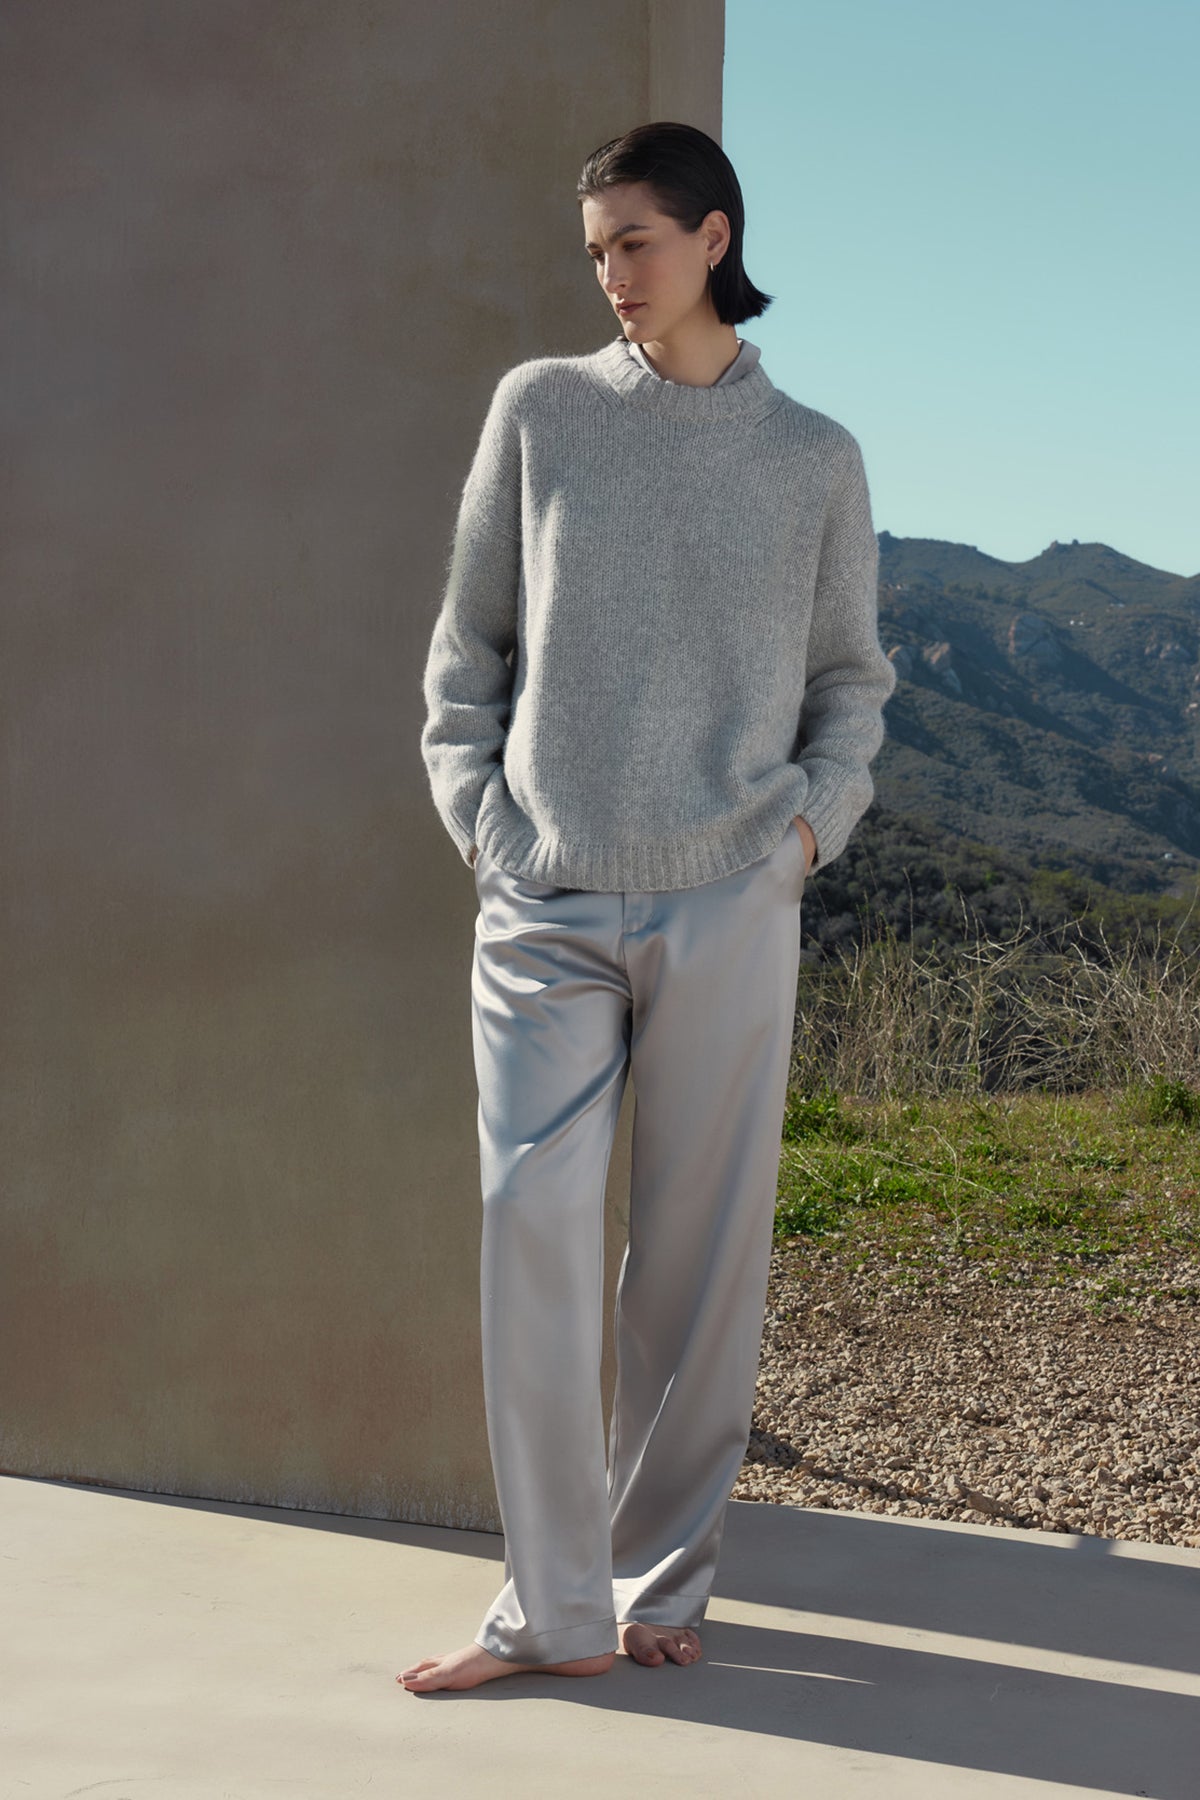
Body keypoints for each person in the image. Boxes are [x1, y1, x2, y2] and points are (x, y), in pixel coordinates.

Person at [401, 121, 896, 1694]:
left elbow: (851, 682)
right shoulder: (540, 412)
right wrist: (483, 821)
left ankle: (657, 1581)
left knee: (696, 1259)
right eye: (596, 248)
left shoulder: (812, 456)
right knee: (527, 1225)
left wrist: (806, 834)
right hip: (543, 890)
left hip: (732, 896)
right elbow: (467, 648)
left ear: (712, 237)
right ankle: (543, 1609)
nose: (611, 273)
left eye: (635, 241)